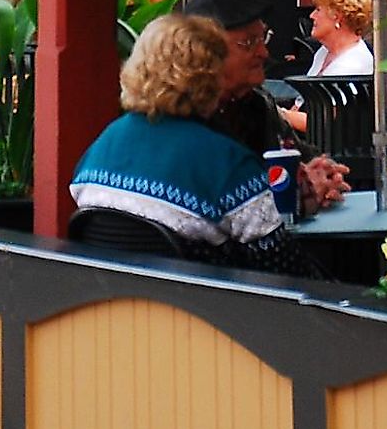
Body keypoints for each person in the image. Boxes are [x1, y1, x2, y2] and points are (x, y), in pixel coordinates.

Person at [70, 15, 289, 260]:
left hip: (113, 293)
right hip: (196, 295)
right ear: (210, 77)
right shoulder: (225, 161)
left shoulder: (106, 141)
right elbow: (282, 262)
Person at [184, 0, 349, 210]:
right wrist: (303, 192)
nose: (263, 52)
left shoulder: (257, 103)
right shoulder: (184, 116)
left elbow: (298, 151)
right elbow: (226, 205)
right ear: (205, 53)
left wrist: (323, 172)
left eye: (264, 37)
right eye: (249, 42)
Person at [277, 0, 376, 139]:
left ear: (337, 16)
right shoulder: (324, 52)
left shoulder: (353, 63)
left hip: (333, 149)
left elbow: (321, 121)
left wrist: (275, 113)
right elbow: (301, 105)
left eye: (318, 10)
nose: (312, 16)